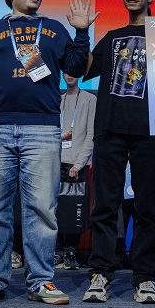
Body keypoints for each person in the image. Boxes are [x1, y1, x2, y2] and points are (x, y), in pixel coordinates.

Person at [0, 0, 95, 306]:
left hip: (43, 129)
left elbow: (75, 68)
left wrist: (81, 31)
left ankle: (42, 281)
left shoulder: (53, 28)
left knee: (42, 209)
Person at [82, 0, 155, 305]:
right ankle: (101, 272)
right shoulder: (113, 36)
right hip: (110, 129)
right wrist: (82, 31)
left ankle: (144, 277)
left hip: (150, 131)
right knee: (104, 207)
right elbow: (85, 70)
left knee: (147, 208)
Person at [54, 72, 96, 270]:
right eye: (66, 72)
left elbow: (91, 134)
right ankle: (56, 250)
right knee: (53, 210)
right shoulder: (57, 99)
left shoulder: (89, 99)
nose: (69, 75)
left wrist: (78, 164)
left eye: (73, 72)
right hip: (56, 163)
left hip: (76, 165)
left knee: (74, 211)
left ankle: (71, 250)